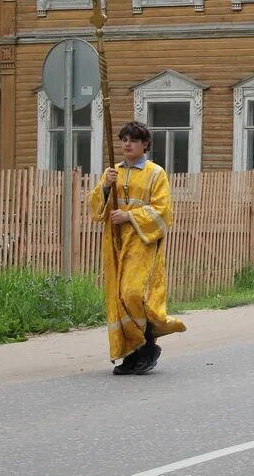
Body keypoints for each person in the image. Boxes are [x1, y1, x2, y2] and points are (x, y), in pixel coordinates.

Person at [89, 121, 186, 376]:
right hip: (116, 242)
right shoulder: (113, 172)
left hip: (142, 242)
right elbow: (96, 209)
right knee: (119, 297)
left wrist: (130, 216)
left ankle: (148, 346)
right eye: (124, 140)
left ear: (145, 144)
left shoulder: (156, 173)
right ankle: (131, 353)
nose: (127, 144)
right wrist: (106, 186)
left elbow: (162, 210)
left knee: (133, 293)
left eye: (133, 140)